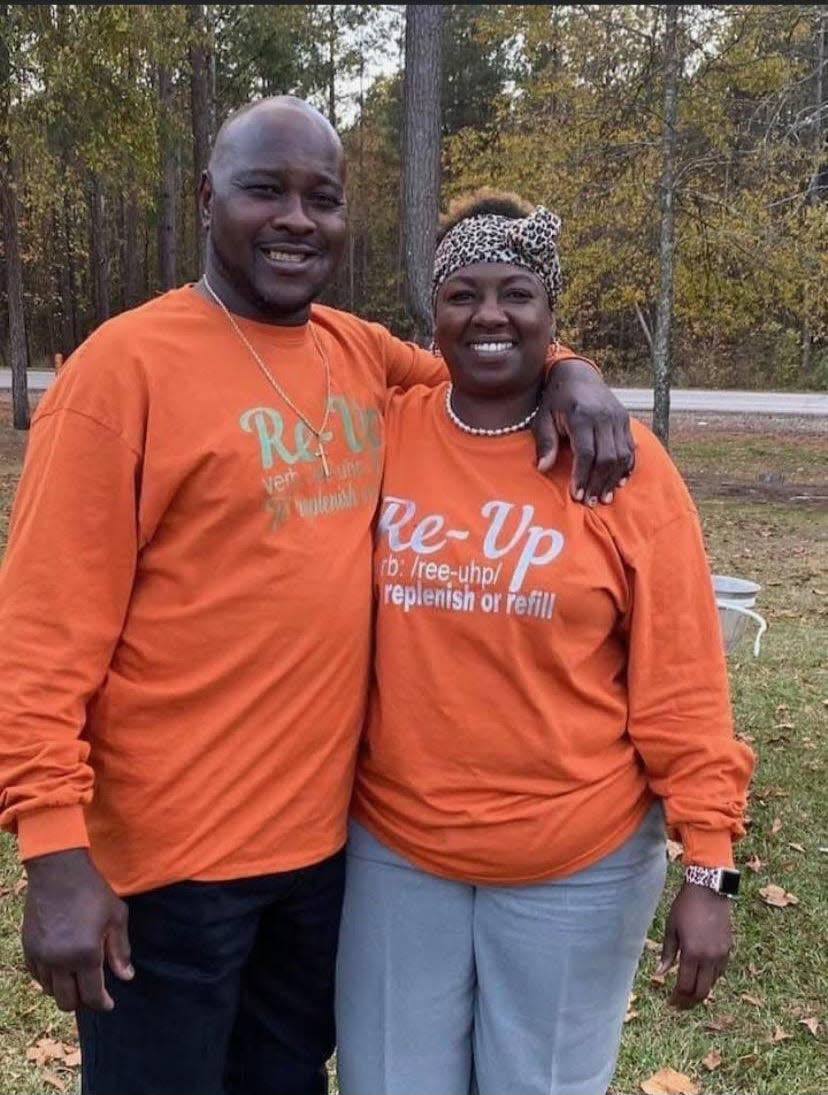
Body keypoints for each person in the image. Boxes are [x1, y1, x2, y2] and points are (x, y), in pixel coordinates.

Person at [0, 101, 633, 1095]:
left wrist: (572, 371)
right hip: (170, 870)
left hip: (325, 857)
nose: (298, 218)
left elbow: (486, 361)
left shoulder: (356, 353)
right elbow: (39, 636)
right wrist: (52, 850)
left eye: (323, 198)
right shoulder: (120, 372)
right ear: (208, 199)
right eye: (266, 191)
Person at [335, 192, 755, 1095]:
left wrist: (710, 864)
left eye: (517, 293)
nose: (489, 315)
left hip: (579, 860)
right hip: (398, 849)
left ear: (551, 314)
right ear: (433, 313)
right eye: (463, 293)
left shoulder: (619, 465)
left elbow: (682, 678)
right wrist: (570, 371)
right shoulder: (384, 428)